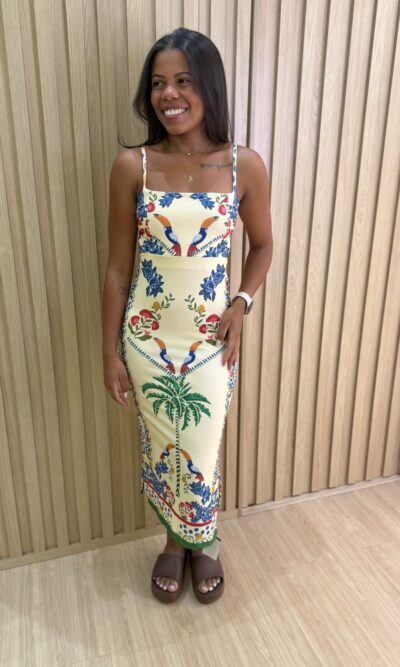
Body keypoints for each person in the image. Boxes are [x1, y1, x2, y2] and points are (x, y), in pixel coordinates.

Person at [102, 27, 273, 604]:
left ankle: (204, 541)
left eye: (182, 81)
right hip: (147, 341)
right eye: (158, 84)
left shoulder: (245, 166)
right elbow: (118, 270)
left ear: (209, 87)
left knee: (201, 445)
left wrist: (242, 302)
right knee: (162, 447)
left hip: (210, 344)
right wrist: (110, 353)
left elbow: (264, 246)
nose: (168, 95)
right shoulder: (132, 166)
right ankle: (175, 543)